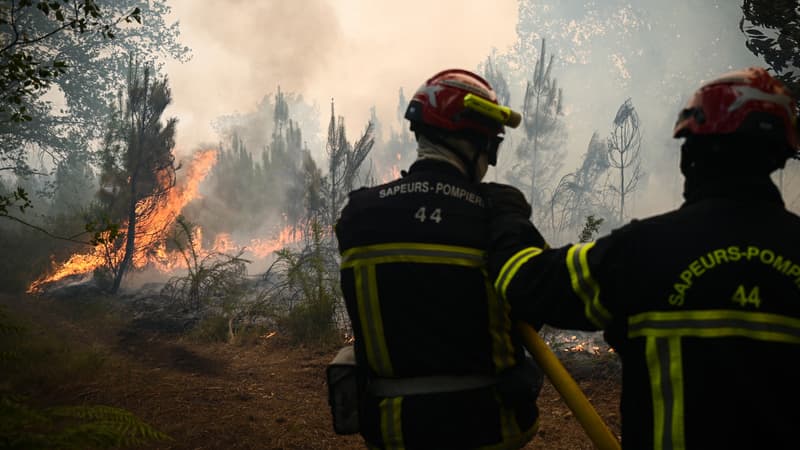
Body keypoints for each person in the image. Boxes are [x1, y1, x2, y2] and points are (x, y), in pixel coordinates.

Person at [485, 66, 800, 450]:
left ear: (691, 156)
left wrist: (505, 215)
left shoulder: (644, 249)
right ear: (779, 158)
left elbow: (529, 285)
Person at [334, 69, 543, 450]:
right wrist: (512, 221)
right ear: (473, 141)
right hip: (487, 428)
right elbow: (536, 301)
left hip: (394, 431)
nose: (490, 161)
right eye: (491, 145)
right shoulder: (493, 215)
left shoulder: (358, 215)